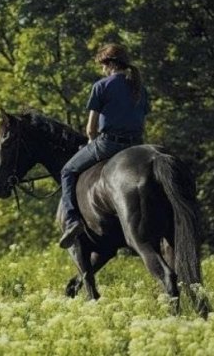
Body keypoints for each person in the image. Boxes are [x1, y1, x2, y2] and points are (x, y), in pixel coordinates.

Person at [59, 43, 150, 249]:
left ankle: (72, 221)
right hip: (136, 146)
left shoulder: (101, 86)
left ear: (109, 64)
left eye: (102, 66)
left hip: (109, 144)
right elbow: (141, 119)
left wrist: (91, 142)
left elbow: (91, 129)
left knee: (67, 170)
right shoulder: (139, 87)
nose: (102, 70)